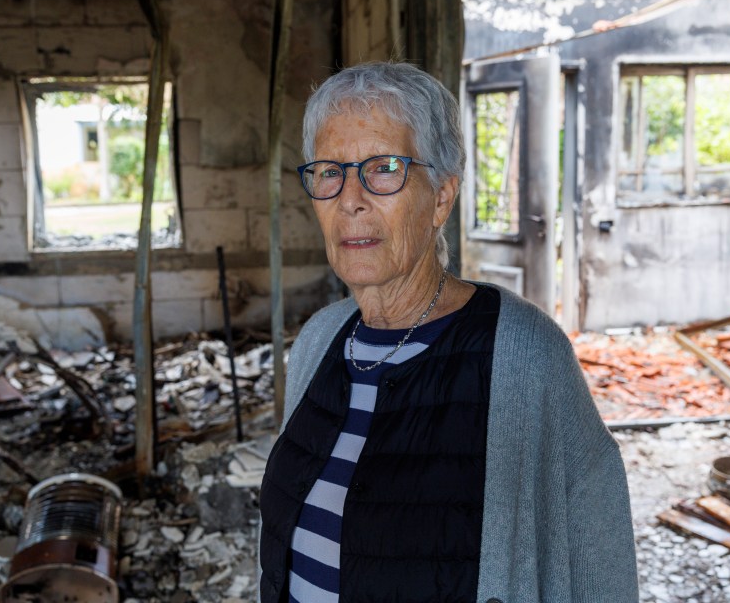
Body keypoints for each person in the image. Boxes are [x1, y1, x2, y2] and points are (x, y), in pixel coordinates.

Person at [258, 61, 638, 603]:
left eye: (384, 168)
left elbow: (599, 558)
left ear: (441, 196)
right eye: (328, 171)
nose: (350, 199)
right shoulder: (319, 341)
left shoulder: (524, 353)